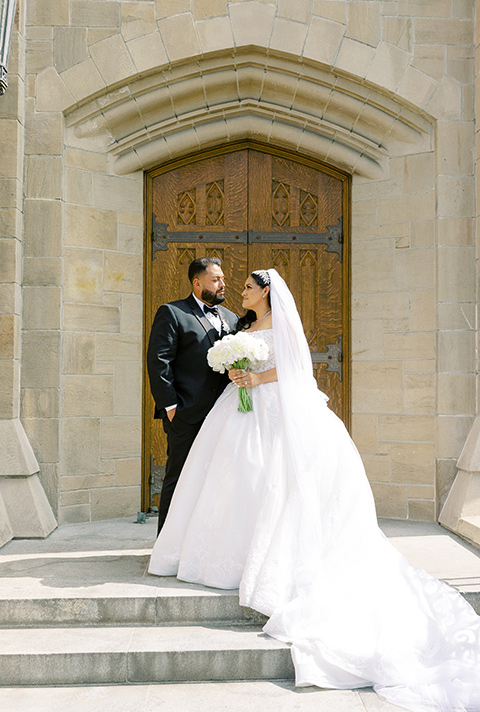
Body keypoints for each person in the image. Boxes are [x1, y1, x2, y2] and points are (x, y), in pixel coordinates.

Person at [149, 268, 480, 712]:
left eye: (247, 286)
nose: (240, 290)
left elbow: (294, 369)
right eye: (237, 285)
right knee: (233, 479)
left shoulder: (279, 323)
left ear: (266, 291)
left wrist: (254, 378)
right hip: (238, 411)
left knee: (273, 482)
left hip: (274, 410)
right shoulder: (240, 324)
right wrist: (236, 371)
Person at [146, 257, 238, 533]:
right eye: (215, 280)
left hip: (224, 414)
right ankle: (166, 542)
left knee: (217, 479)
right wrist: (171, 406)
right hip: (186, 414)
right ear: (197, 283)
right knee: (179, 476)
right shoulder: (173, 313)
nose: (222, 284)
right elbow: (158, 361)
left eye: (222, 279)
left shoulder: (231, 318)